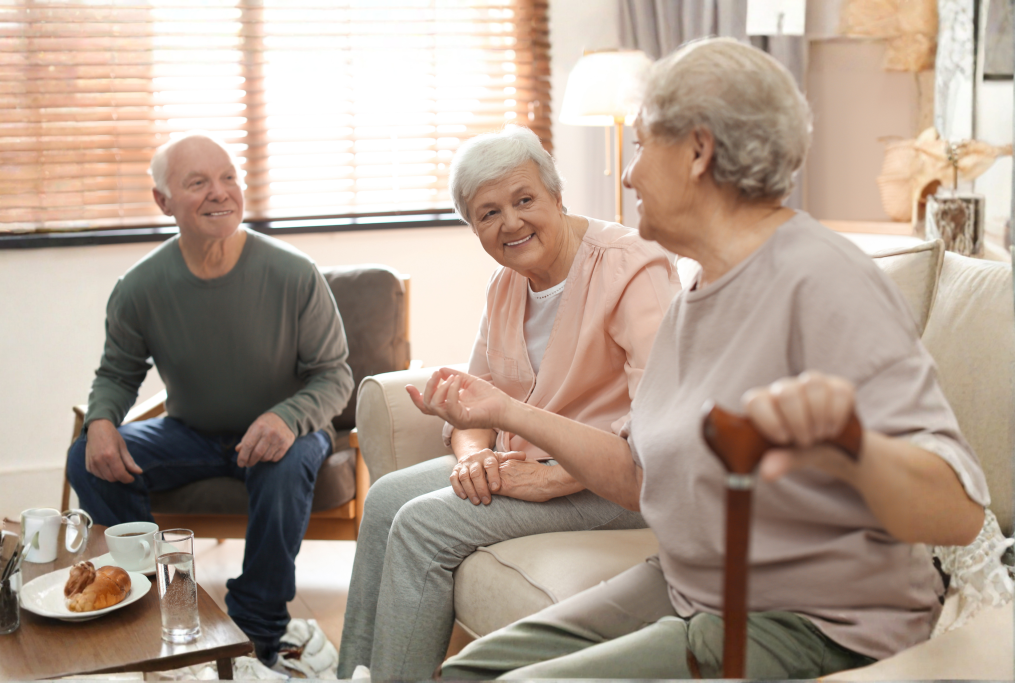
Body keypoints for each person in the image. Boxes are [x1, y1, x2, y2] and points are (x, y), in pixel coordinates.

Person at [410, 39, 989, 679]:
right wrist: (504, 412)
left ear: (697, 151)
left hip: (810, 618)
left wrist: (842, 444)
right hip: (694, 587)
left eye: (640, 147)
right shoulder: (697, 293)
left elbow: (958, 512)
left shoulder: (820, 278)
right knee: (467, 673)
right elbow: (639, 475)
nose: (627, 176)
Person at [336, 125, 679, 679]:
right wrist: (474, 456)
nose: (511, 223)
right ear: (473, 227)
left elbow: (662, 424)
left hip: (613, 481)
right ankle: (352, 673)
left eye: (524, 200)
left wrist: (551, 477)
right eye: (488, 213)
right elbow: (474, 399)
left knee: (424, 524)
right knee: (383, 501)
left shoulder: (631, 265)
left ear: (557, 196)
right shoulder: (505, 284)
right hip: (523, 462)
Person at [66, 132, 354, 668]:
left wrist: (287, 417)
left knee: (284, 462)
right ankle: (153, 600)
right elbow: (117, 374)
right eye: (197, 182)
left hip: (286, 433)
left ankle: (257, 633)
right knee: (87, 457)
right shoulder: (139, 287)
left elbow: (334, 375)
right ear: (163, 201)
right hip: (189, 435)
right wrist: (101, 420)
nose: (220, 192)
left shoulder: (294, 273)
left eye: (228, 178)